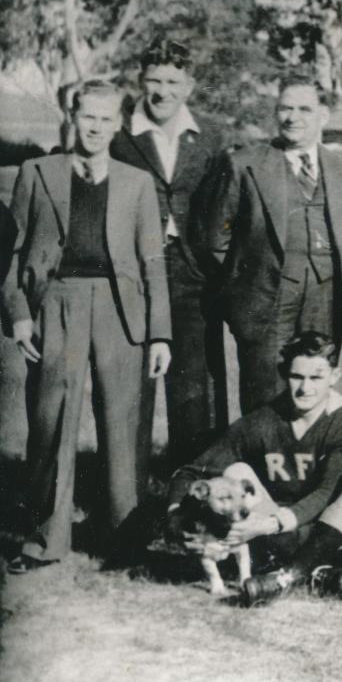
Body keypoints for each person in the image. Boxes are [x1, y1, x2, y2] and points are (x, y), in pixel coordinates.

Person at [5, 79, 171, 571]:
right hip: (56, 303)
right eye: (87, 116)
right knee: (51, 423)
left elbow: (152, 261)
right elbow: (9, 254)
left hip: (121, 312)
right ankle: (45, 539)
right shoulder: (37, 172)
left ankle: (123, 542)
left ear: (118, 124)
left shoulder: (137, 182)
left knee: (122, 429)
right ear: (71, 117)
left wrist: (159, 333)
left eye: (106, 118)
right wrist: (17, 315)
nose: (96, 127)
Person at [164, 332, 342, 605]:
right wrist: (176, 516)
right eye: (296, 377)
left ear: (334, 376)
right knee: (237, 472)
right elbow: (194, 471)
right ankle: (312, 574)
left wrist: (269, 523)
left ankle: (293, 574)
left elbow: (327, 492)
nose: (305, 388)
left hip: (332, 534)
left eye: (316, 377)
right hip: (280, 534)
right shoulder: (264, 420)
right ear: (284, 374)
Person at [193, 75, 342, 416]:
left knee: (316, 384)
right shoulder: (244, 163)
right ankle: (260, 466)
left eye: (304, 109)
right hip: (265, 298)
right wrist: (248, 282)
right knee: (264, 391)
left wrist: (324, 272)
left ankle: (310, 465)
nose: (292, 117)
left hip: (325, 297)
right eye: (285, 108)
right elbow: (215, 239)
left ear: (324, 115)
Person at [110, 37, 228, 461]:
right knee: (131, 381)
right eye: (154, 80)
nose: (163, 91)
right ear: (141, 81)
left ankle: (191, 482)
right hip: (133, 271)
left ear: (189, 86)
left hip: (193, 274)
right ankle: (128, 491)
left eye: (173, 81)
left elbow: (222, 207)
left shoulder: (210, 136)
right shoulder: (119, 131)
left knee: (195, 385)